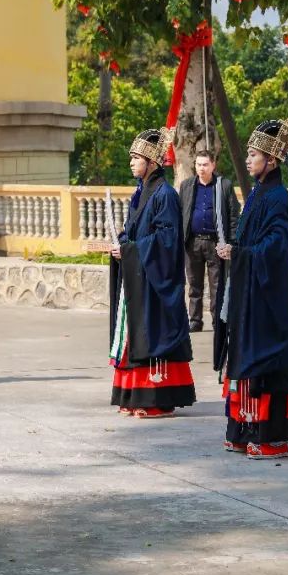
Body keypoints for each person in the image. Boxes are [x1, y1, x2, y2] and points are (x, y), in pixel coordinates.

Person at [215, 117, 288, 459]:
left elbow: (275, 245)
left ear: (271, 160)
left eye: (254, 155)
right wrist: (235, 251)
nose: (248, 160)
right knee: (244, 359)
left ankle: (271, 436)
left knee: (265, 364)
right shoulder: (257, 193)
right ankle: (242, 430)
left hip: (268, 297)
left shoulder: (280, 198)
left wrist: (240, 253)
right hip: (249, 293)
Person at [108, 128, 195, 418]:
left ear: (153, 161)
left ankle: (156, 398)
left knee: (151, 333)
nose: (132, 162)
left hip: (155, 280)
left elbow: (168, 240)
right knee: (135, 333)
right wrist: (122, 246)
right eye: (132, 157)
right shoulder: (140, 193)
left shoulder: (165, 195)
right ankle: (133, 395)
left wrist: (132, 250)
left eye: (137, 158)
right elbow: (132, 232)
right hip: (139, 276)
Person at [179, 150, 240, 332]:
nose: (202, 168)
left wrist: (230, 242)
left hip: (216, 243)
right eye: (198, 164)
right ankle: (195, 320)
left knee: (217, 285)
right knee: (194, 285)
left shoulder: (224, 185)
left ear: (213, 165)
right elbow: (180, 211)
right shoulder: (187, 185)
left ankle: (217, 320)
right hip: (193, 242)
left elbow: (233, 216)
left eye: (205, 164)